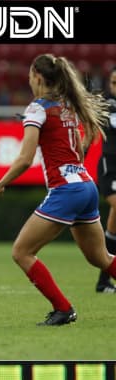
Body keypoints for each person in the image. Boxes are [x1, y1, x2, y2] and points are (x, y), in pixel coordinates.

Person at [0, 54, 116, 326]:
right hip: (85, 184)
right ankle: (64, 309)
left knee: (21, 252)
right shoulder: (67, 106)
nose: (29, 81)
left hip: (66, 190)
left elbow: (25, 158)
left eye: (30, 76)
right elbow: (78, 147)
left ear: (38, 77)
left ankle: (63, 309)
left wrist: (0, 184)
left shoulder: (37, 108)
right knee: (100, 257)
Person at [95, 67, 116, 293]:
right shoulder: (106, 105)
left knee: (113, 225)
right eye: (112, 82)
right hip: (110, 167)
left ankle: (103, 281)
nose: (114, 86)